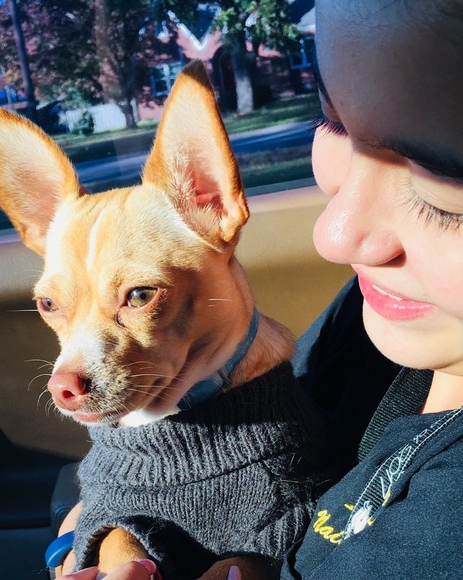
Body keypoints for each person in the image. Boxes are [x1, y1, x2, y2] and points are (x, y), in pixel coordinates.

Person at [56, 0, 463, 577]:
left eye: (440, 183)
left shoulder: (440, 530)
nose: (332, 236)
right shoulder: (375, 310)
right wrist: (87, 540)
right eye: (334, 123)